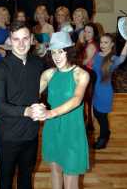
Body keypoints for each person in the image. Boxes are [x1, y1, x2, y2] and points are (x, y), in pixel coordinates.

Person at [31, 31, 89, 189]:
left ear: (69, 52)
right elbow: (31, 95)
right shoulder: (48, 74)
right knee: (55, 170)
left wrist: (50, 113)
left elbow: (77, 99)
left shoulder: (81, 74)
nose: (57, 56)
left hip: (72, 131)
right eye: (54, 52)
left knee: (71, 181)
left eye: (61, 51)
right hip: (53, 129)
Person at [0, 21, 44, 189]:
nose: (21, 44)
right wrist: (26, 111)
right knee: (5, 180)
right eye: (16, 39)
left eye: (25, 38)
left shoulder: (37, 64)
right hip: (8, 135)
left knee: (26, 178)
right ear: (9, 41)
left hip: (31, 134)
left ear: (31, 40)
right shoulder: (1, 69)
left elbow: (42, 92)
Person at [92, 33, 127, 149]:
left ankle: (103, 138)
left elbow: (122, 58)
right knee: (96, 113)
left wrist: (126, 44)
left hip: (105, 92)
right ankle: (105, 132)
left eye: (106, 42)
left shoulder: (112, 58)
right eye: (101, 42)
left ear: (112, 45)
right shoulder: (97, 55)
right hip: (96, 90)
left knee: (102, 116)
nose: (103, 45)